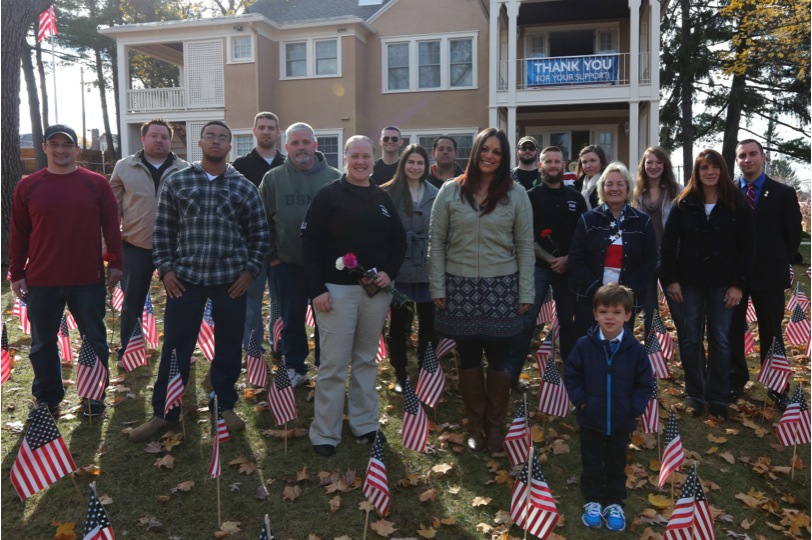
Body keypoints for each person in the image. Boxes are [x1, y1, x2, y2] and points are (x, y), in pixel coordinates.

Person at [129, 121, 270, 442]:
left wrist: (248, 272)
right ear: (201, 143)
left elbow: (260, 236)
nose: (216, 142)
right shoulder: (177, 183)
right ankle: (164, 413)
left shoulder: (244, 187)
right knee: (176, 348)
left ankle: (224, 406)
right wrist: (166, 270)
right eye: (211, 136)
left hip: (230, 281)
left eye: (223, 137)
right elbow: (162, 232)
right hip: (186, 281)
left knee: (229, 346)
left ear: (230, 146)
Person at [428, 128, 534, 453]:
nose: (490, 156)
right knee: (469, 357)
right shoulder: (449, 192)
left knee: (501, 358)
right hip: (459, 287)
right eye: (485, 149)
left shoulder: (516, 195)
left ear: (503, 158)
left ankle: (496, 426)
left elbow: (525, 246)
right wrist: (438, 286)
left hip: (503, 286)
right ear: (475, 152)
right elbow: (436, 243)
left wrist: (526, 292)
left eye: (497, 152)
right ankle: (475, 425)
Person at [302, 135, 406, 456]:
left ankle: (365, 423)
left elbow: (398, 242)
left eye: (366, 156)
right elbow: (310, 244)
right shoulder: (328, 195)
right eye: (355, 156)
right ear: (345, 157)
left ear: (374, 160)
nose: (361, 162)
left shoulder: (382, 198)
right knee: (333, 364)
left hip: (375, 293)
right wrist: (316, 290)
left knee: (366, 360)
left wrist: (389, 272)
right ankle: (325, 432)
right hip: (335, 293)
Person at [9, 124, 123, 417]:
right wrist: (17, 271)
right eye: (55, 144)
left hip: (87, 278)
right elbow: (19, 232)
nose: (61, 150)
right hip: (42, 279)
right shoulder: (28, 186)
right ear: (45, 147)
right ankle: (47, 397)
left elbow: (111, 225)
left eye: (67, 145)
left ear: (76, 149)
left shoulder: (96, 183)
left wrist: (116, 262)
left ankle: (93, 396)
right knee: (42, 342)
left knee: (94, 338)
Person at [660, 149, 753, 419]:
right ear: (697, 172)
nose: (709, 172)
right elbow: (668, 246)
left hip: (724, 285)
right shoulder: (683, 203)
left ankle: (718, 396)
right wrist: (671, 280)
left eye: (714, 167)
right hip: (688, 283)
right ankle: (695, 393)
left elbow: (748, 248)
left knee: (721, 340)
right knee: (690, 339)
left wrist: (738, 285)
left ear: (722, 170)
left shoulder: (737, 202)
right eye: (704, 168)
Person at [563, 283, 654, 533]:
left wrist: (634, 409)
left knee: (616, 462)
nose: (609, 317)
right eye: (603, 312)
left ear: (627, 315)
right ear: (595, 315)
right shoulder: (584, 345)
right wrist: (582, 402)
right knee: (591, 461)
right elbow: (571, 375)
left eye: (616, 312)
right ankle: (592, 500)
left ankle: (614, 502)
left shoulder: (635, 350)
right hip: (590, 418)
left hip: (621, 420)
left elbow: (645, 383)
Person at [259, 123, 341, 387]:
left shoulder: (335, 178)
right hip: (288, 264)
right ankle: (295, 366)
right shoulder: (273, 178)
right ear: (287, 147)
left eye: (306, 142)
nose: (301, 147)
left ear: (315, 146)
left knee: (326, 319)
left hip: (327, 268)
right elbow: (262, 221)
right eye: (294, 143)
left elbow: (346, 222)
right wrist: (273, 256)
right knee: (291, 318)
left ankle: (324, 366)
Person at [729, 139, 802, 407]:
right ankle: (735, 380)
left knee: (772, 330)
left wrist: (778, 259)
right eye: (742, 156)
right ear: (736, 161)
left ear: (764, 157)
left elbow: (793, 233)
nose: (747, 159)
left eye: (752, 154)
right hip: (734, 276)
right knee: (733, 328)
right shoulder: (728, 193)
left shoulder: (782, 192)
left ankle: (777, 385)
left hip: (769, 274)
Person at [507, 146, 586, 387]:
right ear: (540, 166)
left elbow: (584, 235)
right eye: (548, 161)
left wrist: (567, 259)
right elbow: (522, 233)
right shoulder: (529, 197)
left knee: (569, 324)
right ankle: (510, 378)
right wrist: (549, 258)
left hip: (568, 270)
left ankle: (573, 379)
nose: (553, 165)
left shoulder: (575, 198)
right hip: (538, 268)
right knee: (526, 322)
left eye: (557, 161)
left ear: (564, 165)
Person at [110, 119, 188, 364]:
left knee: (180, 303)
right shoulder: (125, 167)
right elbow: (113, 210)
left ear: (169, 140)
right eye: (154, 136)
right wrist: (108, 248)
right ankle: (130, 350)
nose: (159, 141)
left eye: (164, 137)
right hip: (135, 246)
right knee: (132, 303)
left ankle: (178, 351)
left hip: (174, 249)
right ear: (143, 138)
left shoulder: (184, 169)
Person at [569, 162, 657, 338]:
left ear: (628, 187)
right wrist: (598, 290)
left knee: (619, 351)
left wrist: (624, 293)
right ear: (602, 188)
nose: (614, 188)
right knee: (590, 349)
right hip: (590, 298)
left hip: (624, 302)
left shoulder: (642, 222)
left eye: (620, 183)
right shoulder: (588, 220)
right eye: (609, 184)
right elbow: (576, 259)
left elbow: (649, 262)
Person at [381, 144, 439, 393]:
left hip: (427, 267)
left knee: (429, 322)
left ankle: (427, 370)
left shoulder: (437, 193)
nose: (415, 167)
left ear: (426, 167)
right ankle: (401, 372)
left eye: (420, 163)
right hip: (400, 268)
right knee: (399, 323)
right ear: (402, 164)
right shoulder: (388, 193)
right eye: (411, 162)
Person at [231, 112, 285, 349]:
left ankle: (278, 340)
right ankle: (252, 344)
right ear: (254, 131)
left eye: (270, 127)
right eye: (261, 127)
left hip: (282, 244)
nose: (266, 131)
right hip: (249, 243)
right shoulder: (240, 166)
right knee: (250, 298)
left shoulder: (287, 164)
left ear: (277, 132)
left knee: (279, 298)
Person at [631, 146, 683, 340]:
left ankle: (691, 361)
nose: (653, 166)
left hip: (670, 260)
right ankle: (651, 363)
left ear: (665, 165)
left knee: (679, 313)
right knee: (649, 314)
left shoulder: (677, 191)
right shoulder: (635, 193)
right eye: (649, 162)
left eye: (658, 162)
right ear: (643, 166)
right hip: (645, 260)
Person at [573, 144, 608, 209]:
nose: (588, 165)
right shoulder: (576, 187)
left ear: (602, 161)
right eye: (584, 162)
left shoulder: (608, 185)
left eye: (593, 160)